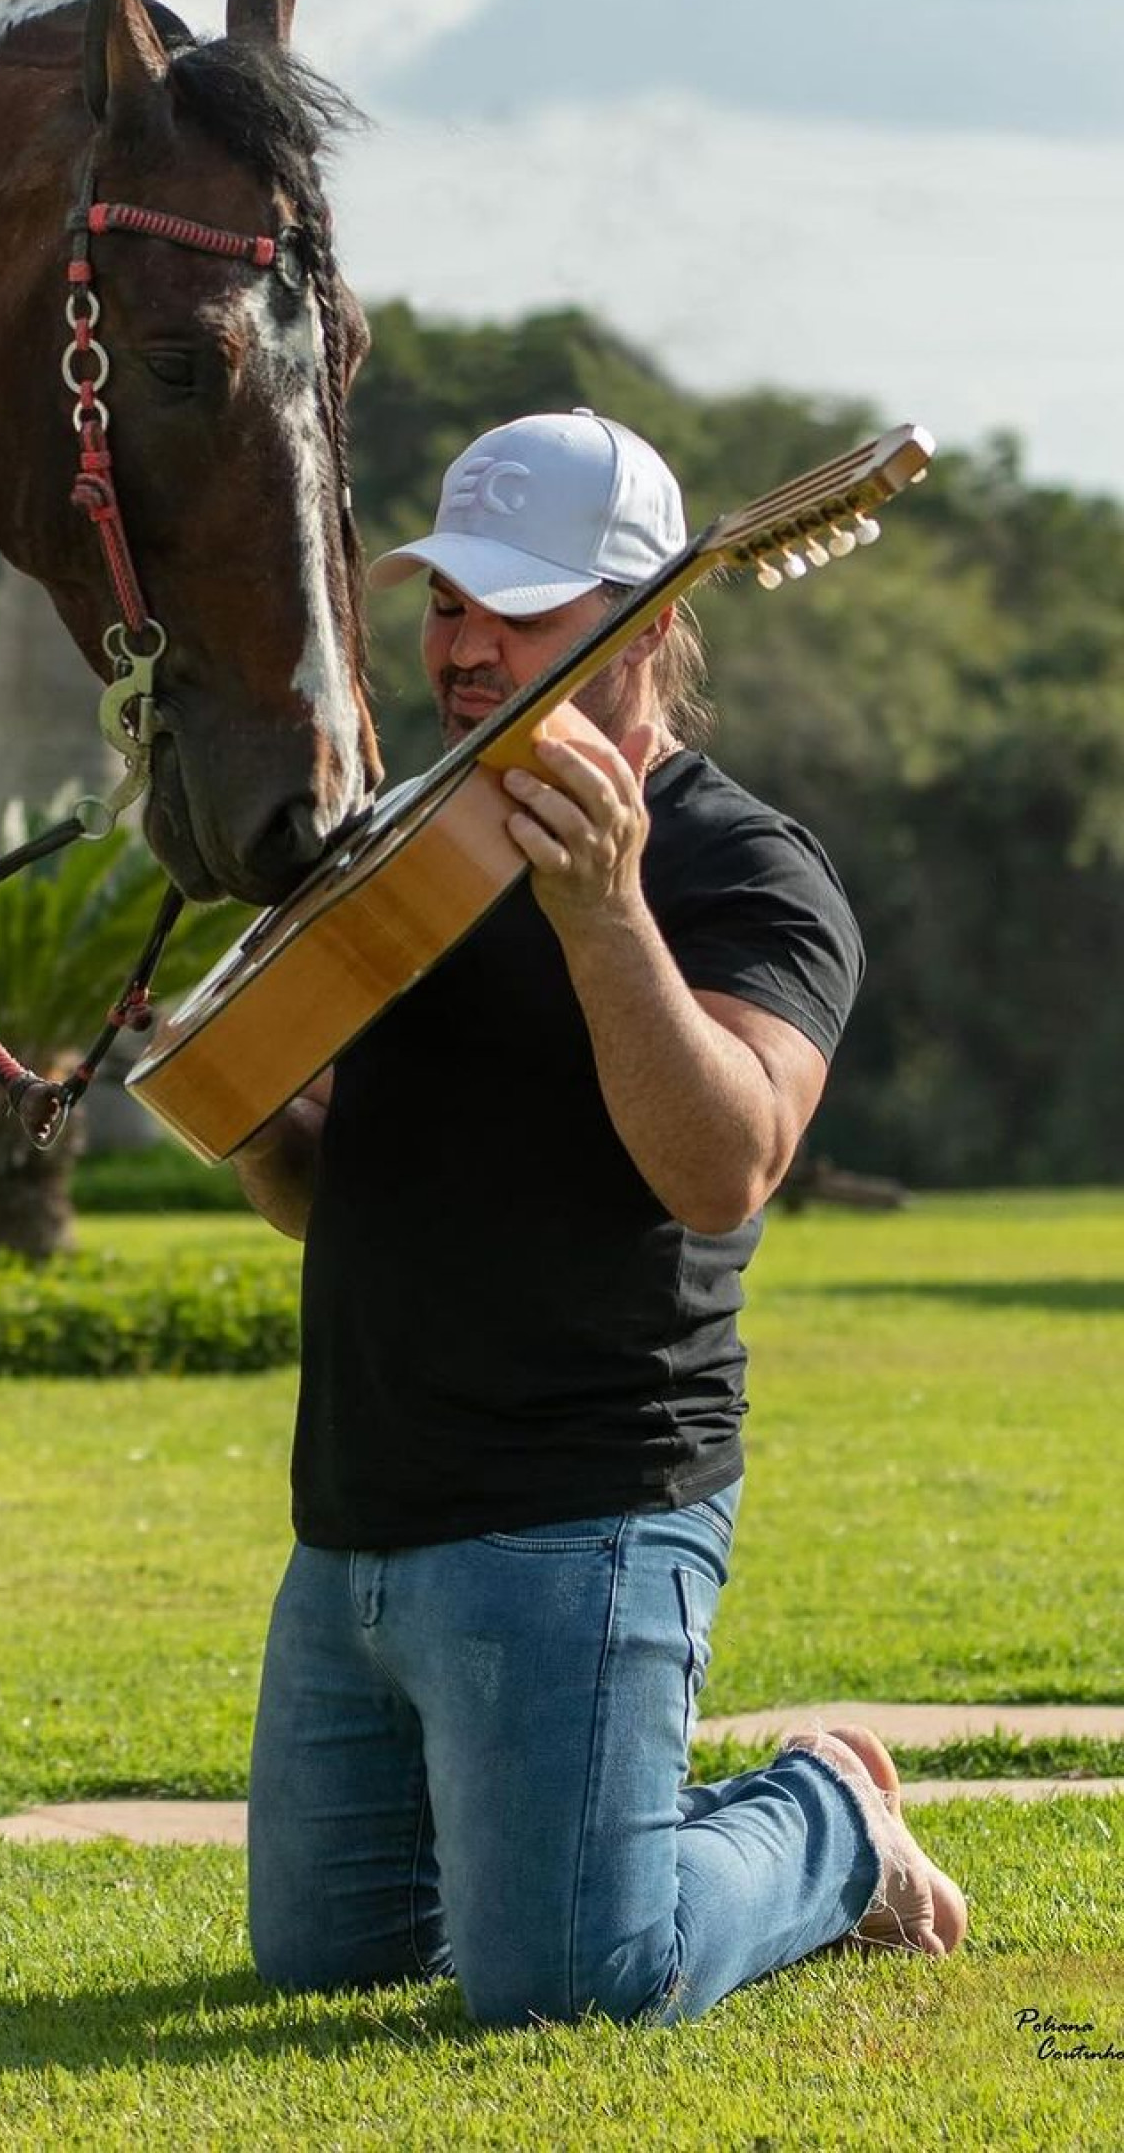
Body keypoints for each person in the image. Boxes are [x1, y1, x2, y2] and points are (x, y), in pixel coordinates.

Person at [232, 408, 966, 2028]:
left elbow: (723, 1164)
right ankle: (616, 1842)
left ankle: (833, 1817)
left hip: (583, 1516)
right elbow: (326, 1196)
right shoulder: (401, 853)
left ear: (647, 622)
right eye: (444, 605)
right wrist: (250, 1123)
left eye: (521, 611)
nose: (466, 648)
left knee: (577, 1984)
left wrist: (603, 912)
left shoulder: (744, 873)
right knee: (330, 1957)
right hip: (354, 1519)